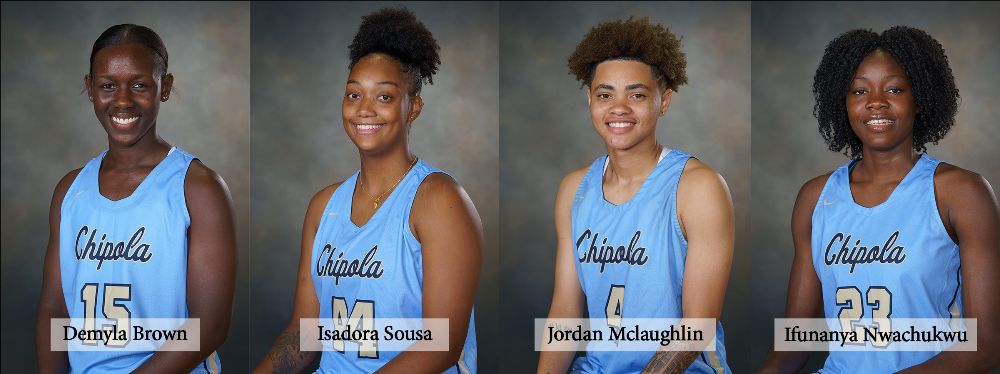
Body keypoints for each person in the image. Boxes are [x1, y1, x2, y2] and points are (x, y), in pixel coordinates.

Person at [759, 26, 1000, 373]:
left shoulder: (961, 192)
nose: (876, 102)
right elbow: (798, 338)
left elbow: (986, 346)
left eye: (895, 89)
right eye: (859, 90)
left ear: (921, 98)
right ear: (843, 102)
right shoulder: (815, 198)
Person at [254, 7, 481, 373]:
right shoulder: (323, 206)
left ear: (414, 107)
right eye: (353, 95)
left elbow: (440, 345)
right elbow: (304, 332)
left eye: (385, 97)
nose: (364, 111)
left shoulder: (439, 199)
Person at [34, 24, 236, 373]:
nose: (123, 100)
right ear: (90, 89)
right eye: (108, 85)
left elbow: (209, 326)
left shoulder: (198, 188)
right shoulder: (70, 191)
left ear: (165, 88)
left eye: (140, 85)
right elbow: (55, 309)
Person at [537, 17, 734, 374]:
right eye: (605, 94)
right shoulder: (574, 190)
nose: (619, 108)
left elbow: (697, 327)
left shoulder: (698, 187)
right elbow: (565, 311)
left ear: (664, 101)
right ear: (590, 100)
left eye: (637, 94)